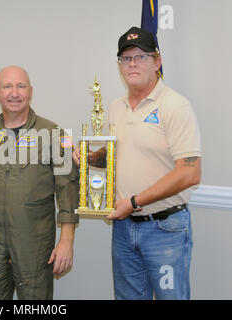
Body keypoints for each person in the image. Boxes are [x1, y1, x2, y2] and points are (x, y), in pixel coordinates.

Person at [73, 27, 201, 300]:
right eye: (126, 58)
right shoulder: (116, 107)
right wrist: (90, 157)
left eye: (141, 57)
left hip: (165, 228)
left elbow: (190, 172)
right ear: (119, 65)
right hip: (124, 227)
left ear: (157, 62)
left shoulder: (175, 106)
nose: (132, 64)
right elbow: (119, 154)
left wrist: (132, 201)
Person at [0, 65, 79, 300]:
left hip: (34, 245)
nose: (15, 93)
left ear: (30, 91)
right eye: (8, 86)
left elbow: (67, 194)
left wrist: (66, 241)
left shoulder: (54, 133)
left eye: (21, 86)